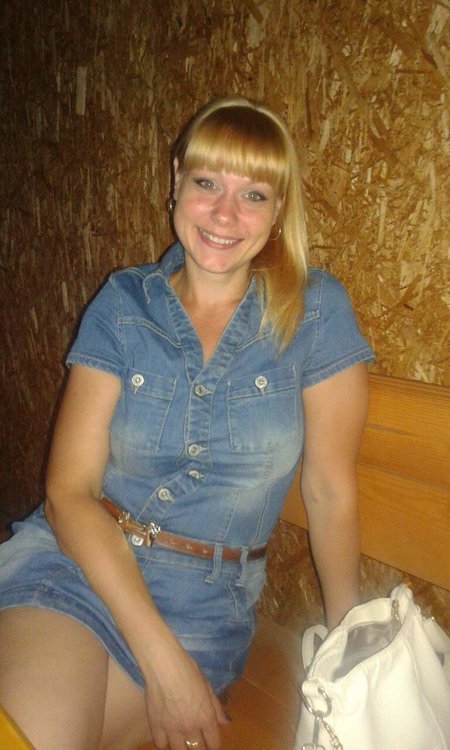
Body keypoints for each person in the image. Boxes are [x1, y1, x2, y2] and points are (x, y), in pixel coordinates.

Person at [0, 95, 373, 750]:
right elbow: (68, 492)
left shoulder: (315, 311)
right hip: (80, 564)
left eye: (253, 194)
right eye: (206, 183)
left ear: (279, 208)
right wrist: (162, 660)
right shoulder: (123, 304)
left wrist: (350, 650)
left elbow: (329, 490)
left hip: (206, 606)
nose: (225, 214)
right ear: (175, 179)